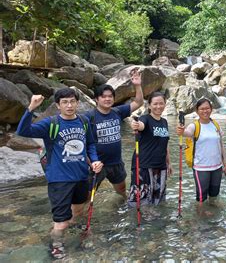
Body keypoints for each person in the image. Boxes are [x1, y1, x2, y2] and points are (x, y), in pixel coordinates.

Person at [16, 88, 103, 259]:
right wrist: (31, 108)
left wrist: (94, 160)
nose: (69, 105)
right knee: (61, 223)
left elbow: (91, 144)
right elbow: (23, 132)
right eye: (65, 102)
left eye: (72, 101)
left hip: (81, 176)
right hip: (59, 180)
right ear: (58, 105)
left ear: (77, 103)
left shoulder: (84, 121)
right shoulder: (51, 123)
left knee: (77, 212)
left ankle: (66, 234)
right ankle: (56, 250)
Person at [85, 69, 143, 199]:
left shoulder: (117, 112)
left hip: (116, 162)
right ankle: (82, 217)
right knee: (88, 196)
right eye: (104, 96)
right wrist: (90, 162)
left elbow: (139, 102)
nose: (107, 99)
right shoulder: (89, 117)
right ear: (96, 99)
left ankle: (122, 210)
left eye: (110, 96)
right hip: (97, 164)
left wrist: (137, 85)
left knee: (122, 190)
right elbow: (83, 142)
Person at [176, 98, 226, 209]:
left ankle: (212, 213)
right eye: (202, 109)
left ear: (211, 109)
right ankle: (200, 215)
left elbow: (221, 144)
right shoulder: (194, 126)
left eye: (207, 108)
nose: (205, 111)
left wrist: (225, 162)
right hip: (201, 168)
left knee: (214, 194)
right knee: (201, 196)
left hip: (217, 167)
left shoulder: (215, 125)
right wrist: (181, 131)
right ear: (197, 111)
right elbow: (186, 132)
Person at [128, 92, 172, 206]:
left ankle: (154, 220)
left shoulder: (164, 122)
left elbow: (165, 142)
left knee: (158, 199)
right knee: (141, 200)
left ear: (165, 104)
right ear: (149, 105)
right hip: (143, 165)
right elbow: (140, 125)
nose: (158, 106)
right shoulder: (145, 118)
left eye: (161, 103)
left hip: (160, 165)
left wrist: (169, 163)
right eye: (155, 104)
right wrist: (136, 125)